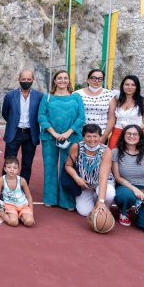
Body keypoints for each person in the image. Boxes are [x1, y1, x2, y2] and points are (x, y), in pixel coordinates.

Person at [38, 70, 85, 210]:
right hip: (49, 138)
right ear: (55, 80)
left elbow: (81, 117)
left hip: (71, 138)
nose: (63, 80)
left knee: (68, 167)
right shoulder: (47, 97)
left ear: (69, 81)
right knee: (50, 167)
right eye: (59, 78)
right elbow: (41, 116)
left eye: (65, 78)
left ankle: (67, 201)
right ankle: (50, 198)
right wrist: (54, 133)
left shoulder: (76, 97)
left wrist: (67, 132)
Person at [111, 125, 144, 229]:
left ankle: (141, 208)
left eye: (135, 134)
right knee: (125, 195)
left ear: (140, 136)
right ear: (123, 136)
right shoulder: (116, 152)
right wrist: (135, 189)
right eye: (128, 133)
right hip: (127, 187)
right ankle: (124, 211)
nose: (132, 136)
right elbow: (117, 177)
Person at [64, 124, 116, 217]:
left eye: (95, 136)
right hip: (85, 185)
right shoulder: (77, 147)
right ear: (83, 137)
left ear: (100, 137)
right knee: (84, 212)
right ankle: (95, 197)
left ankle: (103, 205)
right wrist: (77, 178)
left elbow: (103, 177)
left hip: (102, 182)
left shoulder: (106, 151)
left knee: (109, 194)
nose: (92, 139)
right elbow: (68, 165)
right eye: (88, 136)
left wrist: (101, 201)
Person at [2, 70, 43, 183]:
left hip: (31, 134)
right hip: (14, 133)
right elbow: (5, 113)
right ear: (19, 79)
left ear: (33, 80)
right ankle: (6, 188)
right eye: (23, 79)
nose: (26, 81)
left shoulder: (39, 96)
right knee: (9, 163)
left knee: (27, 164)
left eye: (29, 79)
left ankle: (22, 190)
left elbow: (41, 114)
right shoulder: (10, 96)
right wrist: (14, 123)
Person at [106, 75, 144, 149]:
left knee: (135, 157)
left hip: (135, 134)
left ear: (137, 87)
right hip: (117, 132)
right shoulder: (117, 100)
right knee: (113, 155)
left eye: (133, 85)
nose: (129, 87)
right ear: (122, 86)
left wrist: (134, 129)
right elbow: (113, 119)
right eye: (127, 84)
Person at [0, 157, 35, 227]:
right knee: (14, 222)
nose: (12, 170)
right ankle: (1, 212)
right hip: (10, 205)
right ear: (5, 169)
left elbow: (29, 197)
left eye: (15, 168)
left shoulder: (22, 180)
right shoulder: (1, 180)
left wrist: (31, 213)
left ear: (18, 169)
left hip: (23, 205)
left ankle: (20, 216)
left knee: (30, 222)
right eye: (9, 167)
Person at [74, 69, 115, 142]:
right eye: (94, 78)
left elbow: (111, 118)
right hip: (81, 135)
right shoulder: (77, 94)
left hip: (100, 135)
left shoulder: (110, 95)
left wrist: (104, 137)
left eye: (100, 79)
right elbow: (74, 116)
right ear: (87, 80)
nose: (97, 81)